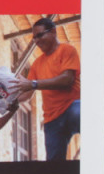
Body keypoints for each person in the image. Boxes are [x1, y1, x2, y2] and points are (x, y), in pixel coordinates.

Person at [19, 17, 81, 160]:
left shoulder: (67, 50)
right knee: (53, 168)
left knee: (86, 117)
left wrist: (34, 83)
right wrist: (6, 101)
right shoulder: (36, 64)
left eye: (40, 35)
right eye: (34, 38)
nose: (37, 41)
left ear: (53, 32)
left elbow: (67, 80)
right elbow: (27, 94)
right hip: (51, 120)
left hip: (72, 107)